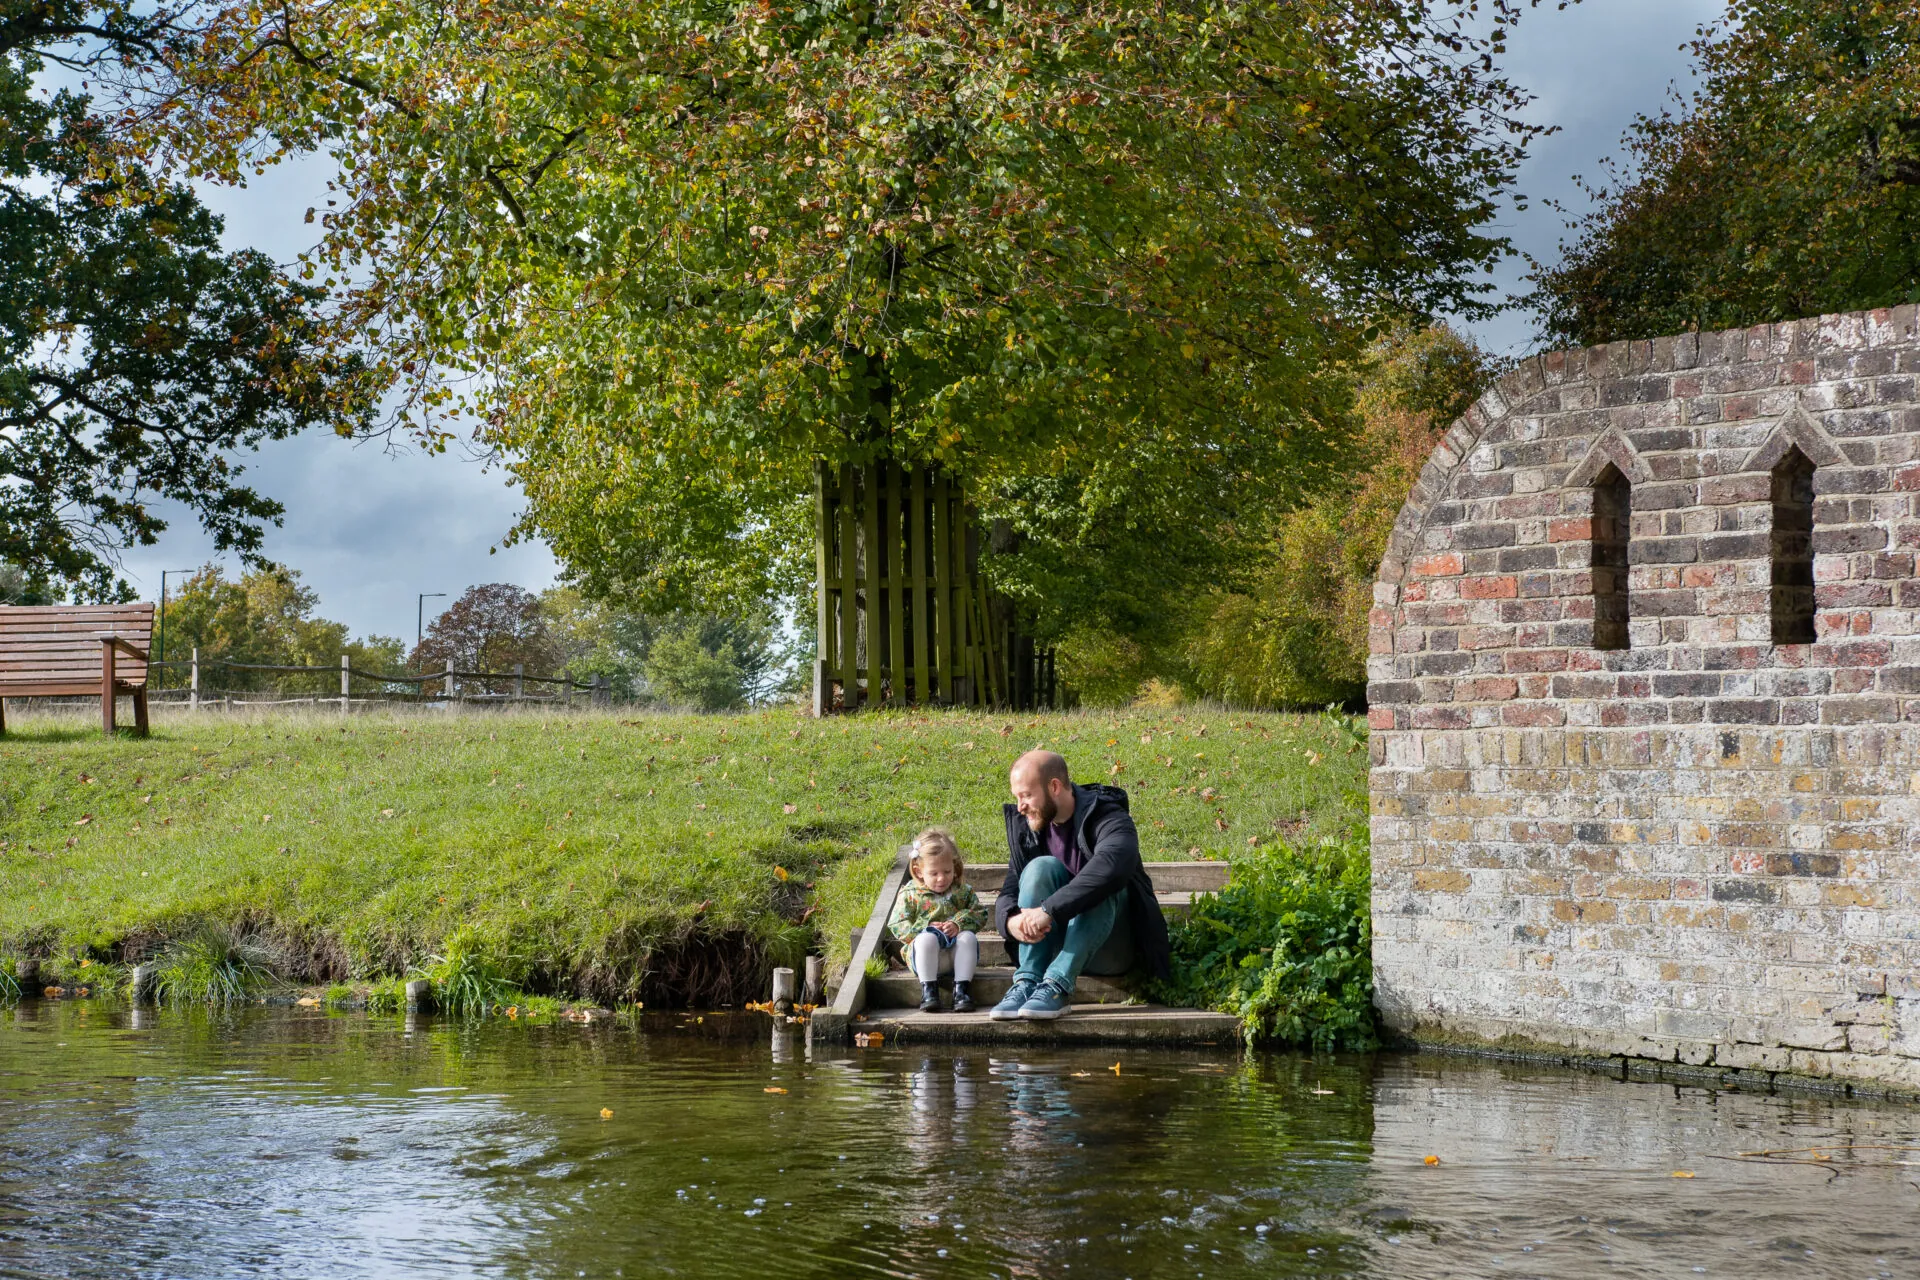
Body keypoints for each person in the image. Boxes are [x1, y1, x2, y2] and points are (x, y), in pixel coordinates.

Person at [992, 750, 1171, 1021]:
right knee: (1040, 867)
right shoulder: (1029, 830)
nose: (1020, 807)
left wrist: (1048, 910)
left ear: (1054, 787)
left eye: (1026, 795)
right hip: (1053, 944)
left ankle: (1057, 986)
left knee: (1102, 879)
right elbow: (1009, 891)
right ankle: (1027, 982)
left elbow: (1111, 868)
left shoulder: (1108, 816)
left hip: (1109, 948)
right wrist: (1010, 922)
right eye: (1017, 797)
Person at [886, 827, 988, 1013]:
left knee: (968, 938)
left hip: (955, 957)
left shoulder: (962, 891)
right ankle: (929, 991)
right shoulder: (911, 893)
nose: (942, 878)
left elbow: (980, 913)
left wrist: (958, 923)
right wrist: (924, 928)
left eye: (947, 871)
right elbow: (896, 923)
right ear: (918, 872)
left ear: (954, 867)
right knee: (928, 939)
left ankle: (962, 990)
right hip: (924, 958)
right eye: (934, 873)